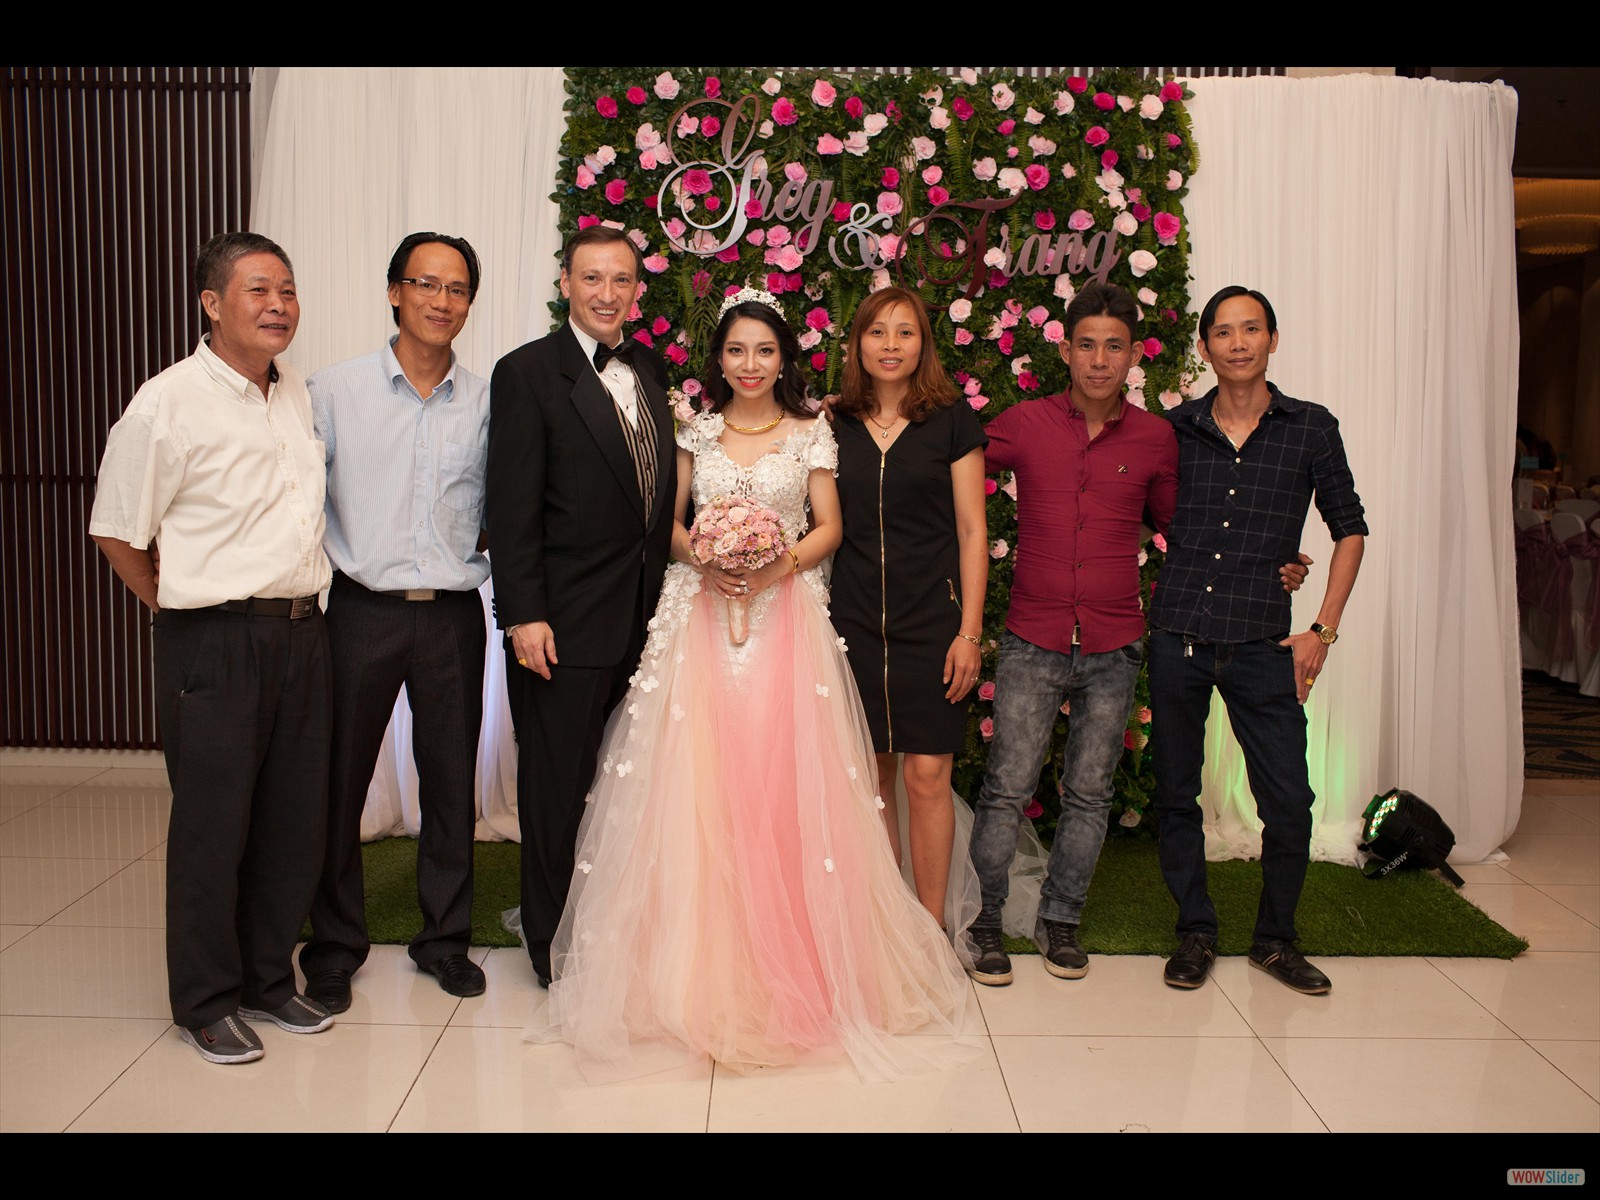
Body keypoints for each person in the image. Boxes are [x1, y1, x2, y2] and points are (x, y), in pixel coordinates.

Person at [532, 291, 976, 1082]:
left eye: (765, 351)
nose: (750, 364)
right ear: (720, 360)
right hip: (700, 622)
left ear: (784, 360)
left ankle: (803, 962)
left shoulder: (812, 432)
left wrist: (776, 565)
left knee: (778, 784)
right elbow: (668, 523)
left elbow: (829, 526)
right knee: (698, 785)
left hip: (785, 626)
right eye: (736, 350)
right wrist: (704, 556)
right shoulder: (695, 431)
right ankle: (691, 969)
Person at [965, 283, 1308, 988]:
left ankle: (1061, 921)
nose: (1099, 360)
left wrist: (1277, 561)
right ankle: (986, 922)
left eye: (1113, 346)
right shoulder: (1023, 424)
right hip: (1032, 636)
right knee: (1006, 788)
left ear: (1132, 356)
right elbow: (949, 465)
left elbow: (1190, 528)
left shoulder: (1156, 438)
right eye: (1087, 345)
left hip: (1116, 643)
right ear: (1066, 351)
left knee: (1090, 793)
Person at [89, 232, 335, 1064]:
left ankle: (267, 981)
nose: (278, 306)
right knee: (213, 828)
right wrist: (179, 605)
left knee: (290, 823)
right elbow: (117, 529)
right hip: (215, 639)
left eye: (288, 291)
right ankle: (204, 1001)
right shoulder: (166, 403)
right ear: (212, 303)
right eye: (259, 290)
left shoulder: (291, 390)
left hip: (302, 632)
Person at [1150, 285, 1366, 995]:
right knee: (1176, 795)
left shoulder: (1310, 427)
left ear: (1273, 339)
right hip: (1179, 635)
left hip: (1263, 642)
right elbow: (1140, 514)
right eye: (1223, 331)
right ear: (1204, 346)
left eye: (1251, 329)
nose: (1237, 343)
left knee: (1290, 803)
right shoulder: (1175, 429)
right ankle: (1195, 931)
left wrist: (1321, 631)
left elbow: (1350, 529)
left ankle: (1275, 941)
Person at [299, 233, 490, 1012]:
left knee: (451, 785)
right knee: (338, 783)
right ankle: (334, 947)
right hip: (360, 611)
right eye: (426, 283)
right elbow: (297, 498)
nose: (442, 301)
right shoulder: (332, 391)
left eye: (457, 289)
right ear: (394, 291)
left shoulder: (488, 401)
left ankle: (444, 940)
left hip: (452, 616)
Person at [486, 226, 677, 986]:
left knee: (620, 789)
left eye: (620, 279)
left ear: (638, 291)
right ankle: (552, 948)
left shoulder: (649, 367)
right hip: (561, 624)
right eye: (591, 277)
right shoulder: (526, 372)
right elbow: (510, 506)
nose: (606, 292)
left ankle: (607, 927)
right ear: (565, 283)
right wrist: (523, 613)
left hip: (644, 620)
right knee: (555, 790)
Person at [830, 287, 987, 934]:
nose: (891, 345)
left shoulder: (951, 420)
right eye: (877, 332)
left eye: (905, 332)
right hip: (852, 620)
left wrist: (970, 633)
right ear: (857, 344)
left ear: (924, 344)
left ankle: (931, 931)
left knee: (927, 774)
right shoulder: (831, 423)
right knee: (870, 778)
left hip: (933, 623)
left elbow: (973, 530)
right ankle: (887, 931)